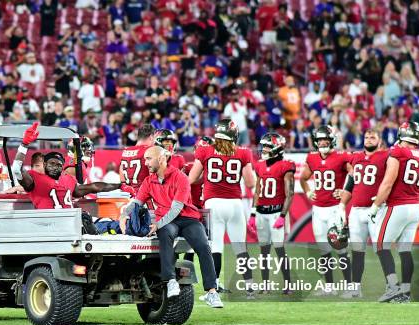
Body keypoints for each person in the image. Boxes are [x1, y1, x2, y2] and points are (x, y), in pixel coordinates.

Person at [119, 146, 223, 308]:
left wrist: (158, 224)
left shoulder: (180, 177)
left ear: (161, 159)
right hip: (168, 222)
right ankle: (170, 281)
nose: (145, 162)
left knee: (203, 246)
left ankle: (211, 292)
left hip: (187, 218)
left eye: (148, 158)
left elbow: (176, 208)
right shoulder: (149, 180)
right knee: (165, 236)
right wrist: (124, 214)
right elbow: (137, 202)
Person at [188, 119, 256, 295]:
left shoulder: (205, 151)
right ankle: (249, 285)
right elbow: (250, 182)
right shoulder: (243, 153)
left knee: (216, 246)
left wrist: (210, 178)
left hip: (213, 203)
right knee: (240, 246)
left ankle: (215, 285)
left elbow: (192, 179)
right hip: (234, 204)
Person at [369, 121, 419, 303]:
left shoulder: (398, 152)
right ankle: (405, 293)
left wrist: (375, 207)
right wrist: (417, 205)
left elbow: (388, 183)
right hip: (415, 207)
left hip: (398, 206)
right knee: (405, 250)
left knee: (381, 244)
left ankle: (392, 288)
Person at [12, 123, 127, 209]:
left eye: (59, 164)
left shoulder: (68, 179)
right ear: (44, 164)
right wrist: (24, 144)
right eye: (52, 163)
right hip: (47, 227)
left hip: (69, 226)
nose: (56, 166)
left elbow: (94, 187)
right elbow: (17, 169)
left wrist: (119, 186)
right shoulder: (35, 178)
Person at [299, 125, 352, 295]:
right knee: (324, 249)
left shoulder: (341, 156)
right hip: (318, 209)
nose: (322, 143)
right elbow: (303, 177)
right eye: (320, 140)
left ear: (332, 141)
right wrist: (308, 191)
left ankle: (350, 286)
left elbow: (354, 174)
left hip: (335, 209)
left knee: (340, 248)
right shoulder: (312, 158)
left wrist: (345, 191)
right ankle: (329, 286)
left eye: (326, 140)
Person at [338, 129, 388, 298]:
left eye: (372, 137)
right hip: (357, 210)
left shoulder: (386, 156)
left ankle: (391, 286)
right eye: (366, 137)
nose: (368, 139)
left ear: (379, 140)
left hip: (377, 210)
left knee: (382, 249)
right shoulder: (356, 157)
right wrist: (342, 205)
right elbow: (350, 182)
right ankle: (355, 288)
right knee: (357, 250)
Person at [249, 132, 295, 294]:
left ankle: (288, 285)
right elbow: (258, 190)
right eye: (264, 146)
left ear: (277, 148)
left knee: (279, 249)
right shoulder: (260, 165)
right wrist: (253, 214)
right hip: (261, 212)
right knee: (264, 251)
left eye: (268, 146)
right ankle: (266, 285)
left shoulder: (286, 166)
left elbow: (290, 194)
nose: (264, 149)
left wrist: (283, 216)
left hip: (276, 212)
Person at [119, 124, 155, 191]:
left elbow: (122, 176)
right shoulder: (149, 150)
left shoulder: (125, 151)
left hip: (127, 194)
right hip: (143, 195)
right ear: (151, 137)